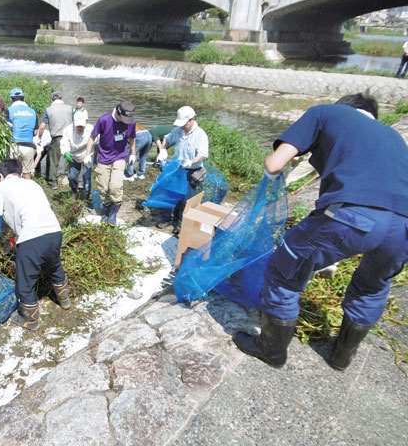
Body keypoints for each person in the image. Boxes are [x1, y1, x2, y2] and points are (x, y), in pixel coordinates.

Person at [233, 93, 408, 371]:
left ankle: (272, 350)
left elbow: (274, 164)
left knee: (283, 271)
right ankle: (341, 357)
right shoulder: (393, 137)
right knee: (372, 288)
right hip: (404, 226)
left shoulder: (326, 113)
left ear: (345, 107)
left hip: (354, 214)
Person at [0, 159, 70, 331]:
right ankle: (65, 301)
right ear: (20, 173)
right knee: (54, 265)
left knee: (25, 281)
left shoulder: (0, 187)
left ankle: (31, 321)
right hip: (54, 232)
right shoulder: (33, 184)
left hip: (31, 238)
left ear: (1, 175)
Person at [84, 101, 137, 225]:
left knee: (115, 186)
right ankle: (107, 209)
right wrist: (87, 154)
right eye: (124, 118)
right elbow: (92, 137)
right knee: (103, 187)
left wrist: (133, 153)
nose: (126, 121)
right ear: (118, 112)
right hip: (103, 157)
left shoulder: (131, 121)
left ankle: (113, 214)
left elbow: (132, 138)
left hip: (120, 157)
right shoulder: (104, 120)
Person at [158, 106, 209, 233]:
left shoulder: (200, 134)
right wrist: (163, 150)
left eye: (184, 123)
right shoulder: (178, 130)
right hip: (177, 168)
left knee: (186, 199)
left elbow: (203, 154)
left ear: (191, 120)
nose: (182, 126)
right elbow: (167, 139)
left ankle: (180, 224)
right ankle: (167, 219)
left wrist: (191, 161)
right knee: (171, 194)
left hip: (192, 171)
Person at [41, 91, 74, 189]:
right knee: (70, 158)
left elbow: (42, 126)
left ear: (52, 99)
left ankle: (53, 183)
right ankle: (69, 179)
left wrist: (38, 137)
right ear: (61, 98)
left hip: (57, 138)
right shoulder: (70, 108)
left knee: (53, 160)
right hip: (69, 137)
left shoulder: (48, 110)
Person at [7, 87, 38, 179]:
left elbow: (6, 129)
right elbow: (36, 132)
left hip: (14, 146)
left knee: (14, 174)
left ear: (12, 99)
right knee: (27, 173)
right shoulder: (33, 111)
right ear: (23, 98)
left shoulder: (9, 110)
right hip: (29, 146)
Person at [60, 113, 93, 199]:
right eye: (78, 126)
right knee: (72, 177)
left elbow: (97, 140)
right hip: (74, 155)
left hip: (87, 154)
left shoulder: (90, 129)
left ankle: (87, 196)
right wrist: (65, 152)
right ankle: (75, 191)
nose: (80, 128)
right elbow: (64, 142)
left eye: (82, 126)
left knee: (87, 177)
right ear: (74, 123)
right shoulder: (68, 130)